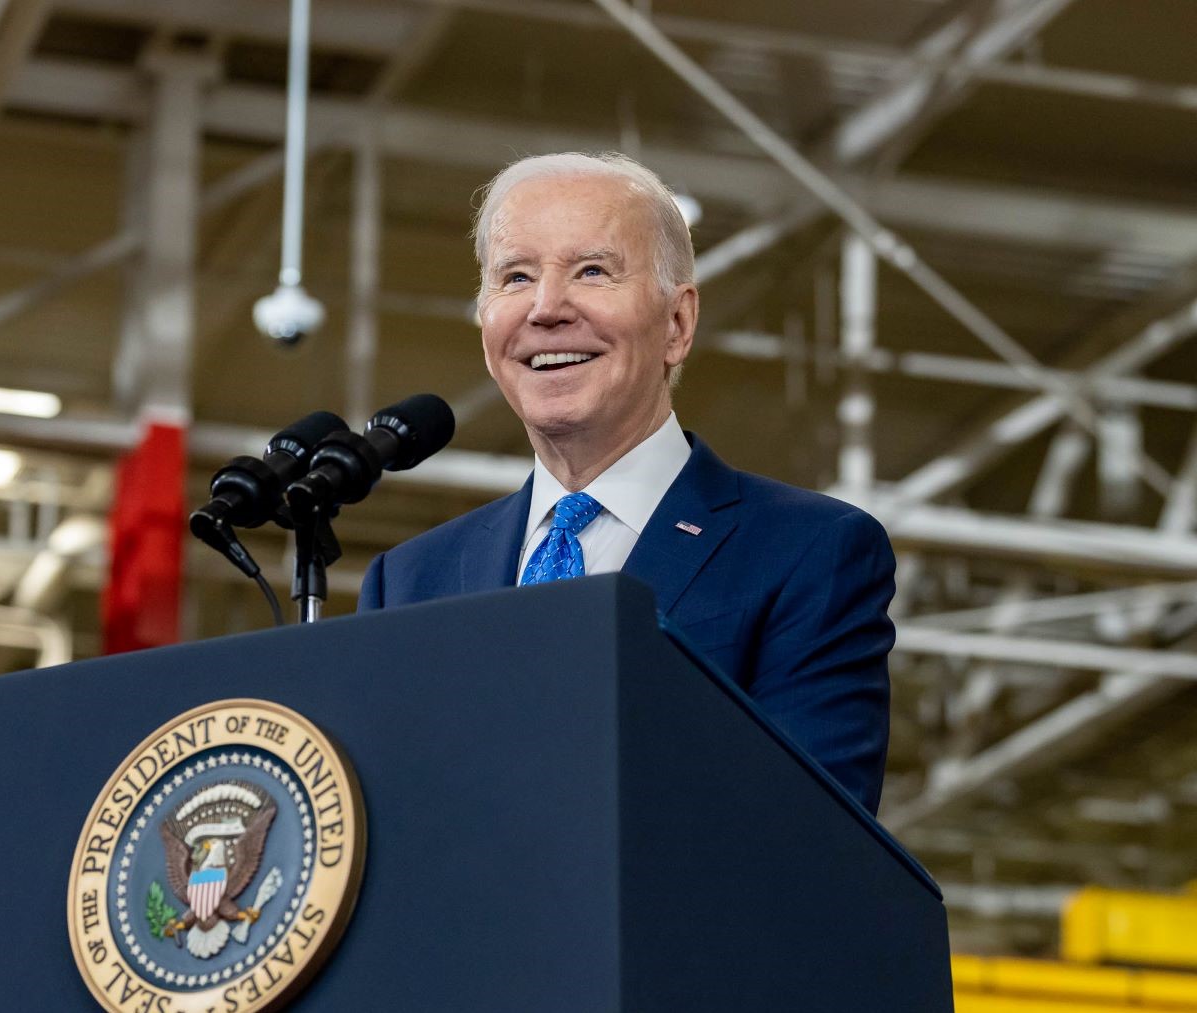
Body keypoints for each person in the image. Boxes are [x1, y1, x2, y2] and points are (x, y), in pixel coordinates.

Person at [357, 152, 896, 814]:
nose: (547, 307)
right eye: (515, 276)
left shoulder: (809, 552)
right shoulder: (410, 583)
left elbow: (810, 837)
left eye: (591, 271)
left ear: (677, 323)